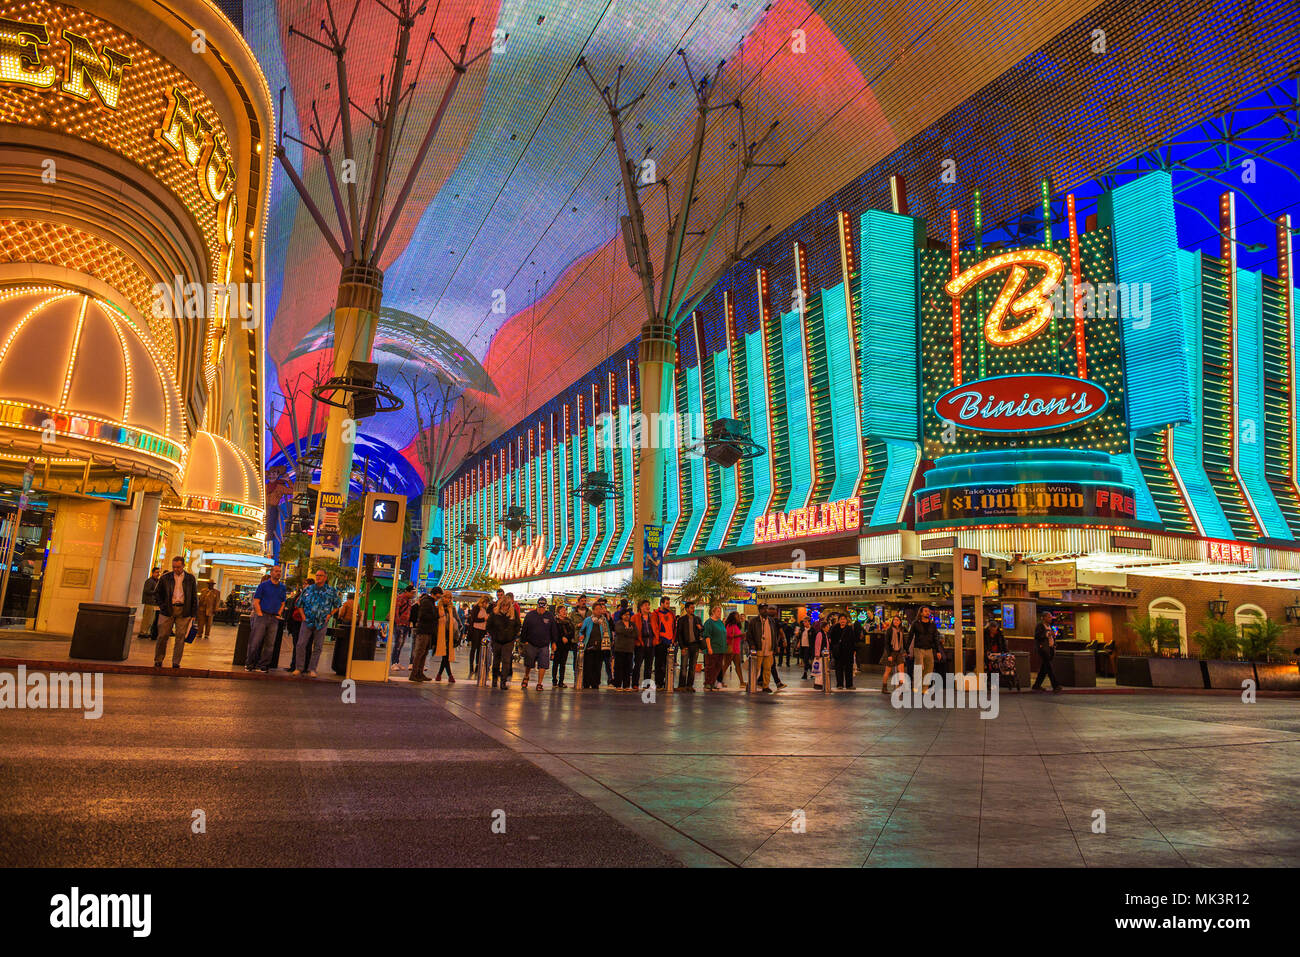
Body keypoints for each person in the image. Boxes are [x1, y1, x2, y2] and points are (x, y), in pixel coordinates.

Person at [292, 570, 340, 676]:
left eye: (320, 575)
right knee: (300, 644)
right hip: (307, 621)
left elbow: (337, 605)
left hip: (321, 622)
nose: (318, 577)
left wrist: (329, 615)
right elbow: (299, 604)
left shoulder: (331, 591)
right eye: (317, 575)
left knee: (318, 646)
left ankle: (312, 669)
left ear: (325, 577)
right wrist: (303, 616)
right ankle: (299, 668)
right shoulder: (308, 589)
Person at [153, 556, 197, 668]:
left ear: (183, 566)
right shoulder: (165, 578)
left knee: (180, 637)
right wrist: (162, 606)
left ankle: (176, 662)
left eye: (178, 567)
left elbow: (193, 597)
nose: (176, 569)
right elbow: (157, 593)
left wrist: (193, 614)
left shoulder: (190, 579)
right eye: (174, 567)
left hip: (183, 610)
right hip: (167, 609)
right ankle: (158, 659)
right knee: (162, 635)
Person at [244, 564, 287, 673]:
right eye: (276, 571)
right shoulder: (263, 586)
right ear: (271, 573)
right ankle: (249, 664)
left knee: (270, 644)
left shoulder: (282, 587)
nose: (278, 573)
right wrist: (259, 613)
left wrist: (279, 613)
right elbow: (256, 600)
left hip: (274, 618)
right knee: (255, 641)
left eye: (279, 571)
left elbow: (283, 602)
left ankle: (263, 665)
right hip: (262, 616)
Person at [520, 598, 557, 690]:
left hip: (544, 644)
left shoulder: (549, 616)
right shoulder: (530, 615)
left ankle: (539, 683)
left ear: (546, 606)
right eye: (540, 606)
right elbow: (524, 629)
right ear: (537, 605)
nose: (541, 608)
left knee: (543, 664)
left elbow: (553, 630)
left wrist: (554, 643)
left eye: (543, 606)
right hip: (531, 643)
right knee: (529, 663)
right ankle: (526, 676)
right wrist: (524, 641)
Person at [488, 592, 520, 689]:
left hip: (508, 641)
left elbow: (517, 625)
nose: (505, 607)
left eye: (507, 605)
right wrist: (494, 635)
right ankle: (494, 679)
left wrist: (513, 636)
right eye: (503, 605)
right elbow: (489, 625)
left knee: (506, 661)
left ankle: (503, 681)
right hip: (497, 640)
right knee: (496, 661)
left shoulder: (513, 613)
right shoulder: (495, 613)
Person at [744, 603, 778, 693]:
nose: (765, 610)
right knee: (756, 668)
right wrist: (752, 645)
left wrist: (775, 646)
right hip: (758, 648)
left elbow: (774, 634)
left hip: (769, 648)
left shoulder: (771, 621)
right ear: (759, 610)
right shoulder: (754, 621)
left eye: (766, 608)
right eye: (763, 609)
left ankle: (766, 686)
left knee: (768, 669)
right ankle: (750, 684)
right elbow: (749, 635)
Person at [579, 599, 612, 689]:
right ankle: (586, 683)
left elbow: (608, 632)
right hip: (589, 647)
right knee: (588, 666)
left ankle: (595, 683)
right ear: (593, 610)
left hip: (600, 648)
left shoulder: (604, 621)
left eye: (600, 609)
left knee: (598, 667)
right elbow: (581, 631)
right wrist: (581, 636)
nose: (599, 611)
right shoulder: (588, 620)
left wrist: (608, 643)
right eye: (597, 609)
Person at [908, 606, 944, 687]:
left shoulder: (932, 624)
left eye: (928, 611)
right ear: (921, 613)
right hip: (918, 648)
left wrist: (938, 651)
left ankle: (924, 688)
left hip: (929, 649)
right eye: (925, 611)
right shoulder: (916, 623)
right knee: (919, 668)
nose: (928, 612)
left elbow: (935, 638)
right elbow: (910, 637)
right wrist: (907, 650)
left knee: (929, 670)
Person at [675, 600, 704, 691]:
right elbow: (679, 634)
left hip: (695, 646)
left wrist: (701, 628)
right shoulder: (682, 620)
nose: (693, 609)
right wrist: (682, 646)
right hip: (686, 646)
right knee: (683, 666)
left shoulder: (697, 619)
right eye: (691, 608)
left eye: (694, 608)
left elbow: (703, 631)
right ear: (687, 609)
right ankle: (681, 685)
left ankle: (690, 685)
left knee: (692, 667)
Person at [432, 592, 459, 682]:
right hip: (440, 634)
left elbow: (458, 622)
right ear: (442, 598)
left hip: (449, 634)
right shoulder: (438, 608)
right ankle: (448, 675)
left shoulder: (453, 609)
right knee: (445, 655)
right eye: (446, 597)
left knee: (446, 655)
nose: (447, 600)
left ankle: (441, 675)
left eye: (449, 598)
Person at [1033, 611, 1061, 693]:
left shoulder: (1050, 626)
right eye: (1049, 617)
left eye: (1051, 617)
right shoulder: (1040, 626)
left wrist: (1054, 643)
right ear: (1044, 618)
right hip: (1043, 649)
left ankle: (1037, 685)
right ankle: (1055, 685)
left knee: (1044, 668)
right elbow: (1037, 636)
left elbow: (1052, 637)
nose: (1051, 618)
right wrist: (1047, 634)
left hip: (1050, 649)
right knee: (1049, 667)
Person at [650, 596, 675, 690]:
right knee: (659, 664)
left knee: (667, 664)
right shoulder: (656, 614)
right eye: (667, 603)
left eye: (669, 603)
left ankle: (665, 682)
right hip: (660, 642)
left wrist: (673, 639)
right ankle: (659, 682)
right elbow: (655, 627)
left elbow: (673, 627)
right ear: (661, 603)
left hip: (669, 642)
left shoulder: (671, 614)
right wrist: (658, 638)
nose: (668, 605)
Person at [830, 613, 859, 690]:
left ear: (846, 620)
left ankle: (849, 684)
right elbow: (831, 640)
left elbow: (853, 640)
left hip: (848, 652)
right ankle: (839, 684)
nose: (842, 620)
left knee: (849, 669)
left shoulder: (849, 629)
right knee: (838, 669)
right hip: (838, 652)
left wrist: (854, 650)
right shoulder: (834, 628)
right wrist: (833, 649)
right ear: (838, 620)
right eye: (841, 619)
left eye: (844, 619)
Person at [703, 605, 728, 690]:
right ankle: (708, 683)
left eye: (720, 612)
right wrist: (709, 648)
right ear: (713, 612)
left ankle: (713, 682)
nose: (720, 613)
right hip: (713, 648)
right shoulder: (709, 622)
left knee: (718, 667)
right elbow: (707, 636)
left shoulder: (720, 622)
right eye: (718, 611)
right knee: (710, 666)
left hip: (721, 649)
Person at [391, 584, 415, 672]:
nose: (413, 595)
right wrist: (397, 622)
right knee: (398, 643)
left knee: (401, 644)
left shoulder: (409, 600)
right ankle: (393, 663)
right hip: (399, 624)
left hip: (406, 625)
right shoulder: (400, 598)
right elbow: (396, 610)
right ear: (407, 592)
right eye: (412, 593)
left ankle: (397, 661)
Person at [881, 613, 907, 692]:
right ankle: (884, 687)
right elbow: (886, 643)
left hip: (899, 652)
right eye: (894, 620)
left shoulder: (901, 630)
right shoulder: (889, 630)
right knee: (888, 671)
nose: (895, 621)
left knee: (901, 670)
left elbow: (904, 642)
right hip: (891, 652)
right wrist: (889, 655)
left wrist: (906, 651)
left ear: (900, 622)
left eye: (897, 620)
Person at [611, 608, 636, 690]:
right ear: (622, 616)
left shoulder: (632, 624)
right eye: (625, 614)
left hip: (629, 649)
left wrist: (627, 631)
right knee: (619, 667)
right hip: (619, 649)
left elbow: (635, 633)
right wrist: (629, 631)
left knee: (628, 668)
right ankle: (618, 684)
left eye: (628, 615)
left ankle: (626, 685)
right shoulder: (619, 623)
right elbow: (619, 630)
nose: (627, 616)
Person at [467, 595, 491, 678]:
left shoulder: (485, 609)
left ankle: (477, 665)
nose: (486, 604)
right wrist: (484, 619)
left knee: (480, 649)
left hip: (482, 630)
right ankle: (471, 666)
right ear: (482, 602)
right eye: (485, 603)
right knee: (474, 648)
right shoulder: (476, 608)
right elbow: (473, 619)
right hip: (476, 630)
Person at [552, 603, 575, 687]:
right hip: (557, 644)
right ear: (558, 612)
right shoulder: (555, 621)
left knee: (563, 664)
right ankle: (554, 680)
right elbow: (554, 632)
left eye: (565, 610)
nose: (564, 612)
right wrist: (560, 638)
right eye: (562, 611)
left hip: (566, 645)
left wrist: (566, 637)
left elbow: (572, 632)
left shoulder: (568, 621)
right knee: (555, 663)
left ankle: (561, 681)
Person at [632, 599, 654, 686]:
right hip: (640, 644)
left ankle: (646, 685)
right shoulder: (635, 617)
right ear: (640, 607)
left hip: (650, 644)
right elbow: (632, 630)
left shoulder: (652, 617)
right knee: (637, 665)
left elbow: (655, 629)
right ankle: (635, 684)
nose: (648, 607)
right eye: (645, 605)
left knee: (648, 667)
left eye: (648, 605)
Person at [139, 566, 161, 639]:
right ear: (153, 573)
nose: (158, 574)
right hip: (149, 602)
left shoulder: (156, 581)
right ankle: (143, 632)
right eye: (157, 572)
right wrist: (155, 592)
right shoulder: (149, 581)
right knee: (147, 618)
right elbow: (147, 591)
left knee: (151, 619)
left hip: (153, 603)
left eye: (158, 572)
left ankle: (147, 632)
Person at [724, 612, 745, 688]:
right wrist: (741, 635)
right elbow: (729, 635)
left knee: (738, 665)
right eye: (737, 616)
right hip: (731, 649)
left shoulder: (736, 626)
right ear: (733, 617)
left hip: (736, 649)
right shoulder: (730, 625)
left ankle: (742, 682)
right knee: (726, 665)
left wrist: (742, 636)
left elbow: (737, 636)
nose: (738, 617)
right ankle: (719, 681)